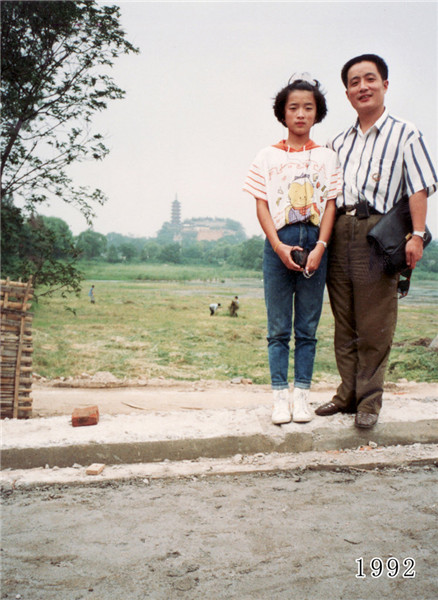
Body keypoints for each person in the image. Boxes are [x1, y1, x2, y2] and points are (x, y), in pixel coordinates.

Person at [315, 54, 438, 429]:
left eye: (370, 79)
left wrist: (416, 235)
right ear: (347, 92)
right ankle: (346, 394)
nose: (362, 87)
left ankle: (370, 400)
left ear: (385, 85)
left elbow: (419, 186)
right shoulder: (338, 142)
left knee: (374, 321)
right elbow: (330, 196)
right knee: (344, 319)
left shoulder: (406, 133)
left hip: (379, 231)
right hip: (341, 228)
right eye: (354, 82)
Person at [243, 74, 342, 425]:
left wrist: (320, 246)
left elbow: (331, 205)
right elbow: (261, 205)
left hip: (316, 244)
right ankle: (278, 399)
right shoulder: (266, 156)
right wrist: (278, 246)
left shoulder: (328, 157)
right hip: (278, 245)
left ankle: (302, 397)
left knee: (307, 328)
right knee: (278, 328)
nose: (300, 114)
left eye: (308, 108)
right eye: (293, 107)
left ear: (317, 114)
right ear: (282, 114)